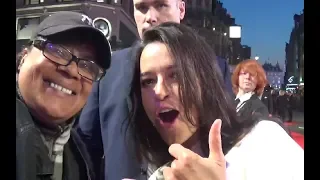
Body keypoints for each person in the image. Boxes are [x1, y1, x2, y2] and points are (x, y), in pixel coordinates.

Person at [77, 0, 233, 179]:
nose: (150, 17)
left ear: (181, 9)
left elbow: (224, 139)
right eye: (142, 8)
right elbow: (86, 148)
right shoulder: (108, 68)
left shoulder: (214, 66)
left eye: (161, 5)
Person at [127, 22, 303, 180]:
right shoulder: (161, 174)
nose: (159, 92)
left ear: (205, 80)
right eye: (148, 81)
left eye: (175, 75)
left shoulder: (264, 142)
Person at [16, 11, 111, 180]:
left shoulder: (78, 153)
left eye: (87, 66)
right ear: (23, 58)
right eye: (57, 51)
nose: (73, 70)